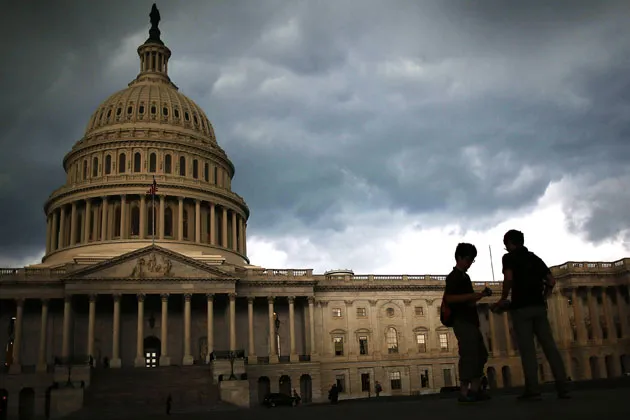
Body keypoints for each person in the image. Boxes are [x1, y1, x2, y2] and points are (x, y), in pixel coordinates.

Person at [492, 229, 570, 401]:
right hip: (539, 307)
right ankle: (563, 387)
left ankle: (533, 390)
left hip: (521, 308)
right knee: (550, 347)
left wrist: (503, 298)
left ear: (509, 243)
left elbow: (509, 278)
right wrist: (544, 297)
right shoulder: (535, 258)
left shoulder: (509, 258)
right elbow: (551, 281)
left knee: (528, 351)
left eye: (506, 244)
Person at [444, 243, 492, 403]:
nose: (470, 263)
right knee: (468, 354)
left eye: (472, 260)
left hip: (471, 320)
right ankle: (464, 393)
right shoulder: (453, 277)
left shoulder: (465, 277)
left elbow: (470, 302)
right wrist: (470, 297)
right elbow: (449, 298)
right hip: (461, 321)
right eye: (468, 259)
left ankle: (475, 390)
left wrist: (481, 295)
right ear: (459, 258)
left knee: (480, 354)